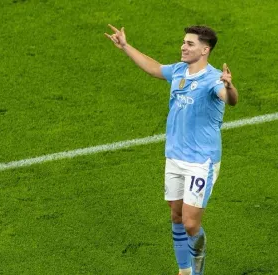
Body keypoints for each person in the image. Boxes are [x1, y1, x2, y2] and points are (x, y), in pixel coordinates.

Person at [105, 24, 238, 275]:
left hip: (201, 161)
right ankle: (184, 270)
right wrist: (125, 46)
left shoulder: (213, 80)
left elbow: (229, 99)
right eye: (183, 42)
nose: (183, 46)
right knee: (176, 216)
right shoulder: (179, 71)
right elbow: (154, 68)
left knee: (190, 223)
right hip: (174, 156)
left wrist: (230, 86)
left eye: (190, 44)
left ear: (205, 50)